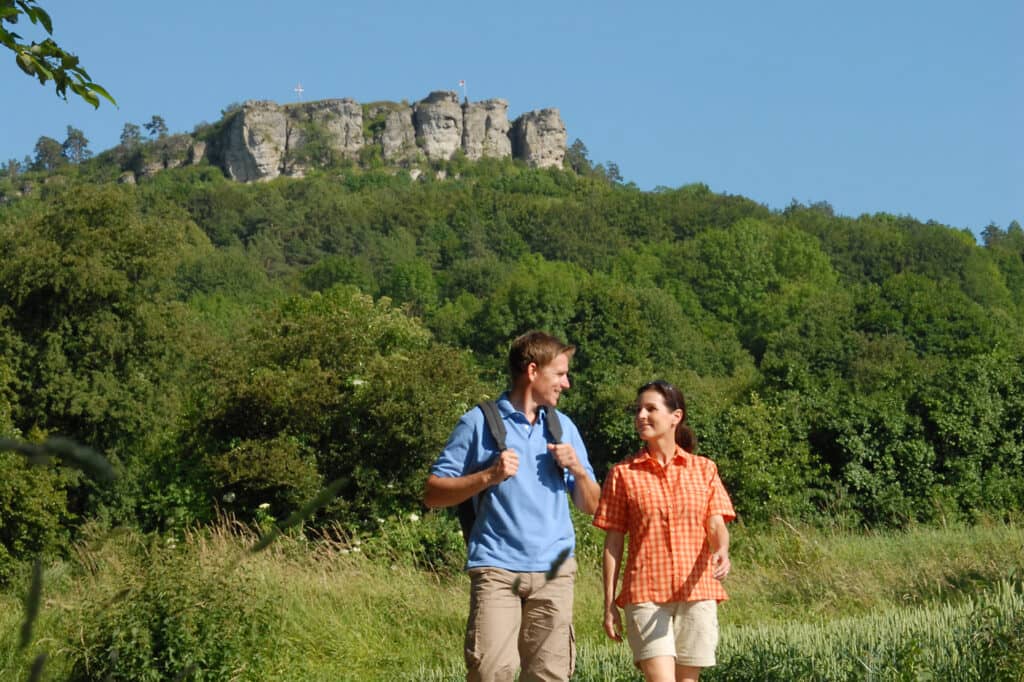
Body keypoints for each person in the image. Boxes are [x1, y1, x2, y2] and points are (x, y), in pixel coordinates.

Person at [423, 330, 601, 682]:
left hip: (554, 570)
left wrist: (578, 471)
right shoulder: (478, 422)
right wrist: (488, 476)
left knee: (549, 675)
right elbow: (432, 493)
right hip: (497, 568)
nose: (566, 384)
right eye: (560, 374)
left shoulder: (563, 427)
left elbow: (592, 506)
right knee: (492, 673)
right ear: (533, 371)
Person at [593, 380, 735, 682]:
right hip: (645, 592)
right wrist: (608, 605)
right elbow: (613, 543)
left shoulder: (704, 469)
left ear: (676, 416)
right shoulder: (622, 474)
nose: (641, 416)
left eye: (650, 409)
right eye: (638, 410)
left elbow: (716, 524)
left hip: (697, 591)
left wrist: (721, 550)